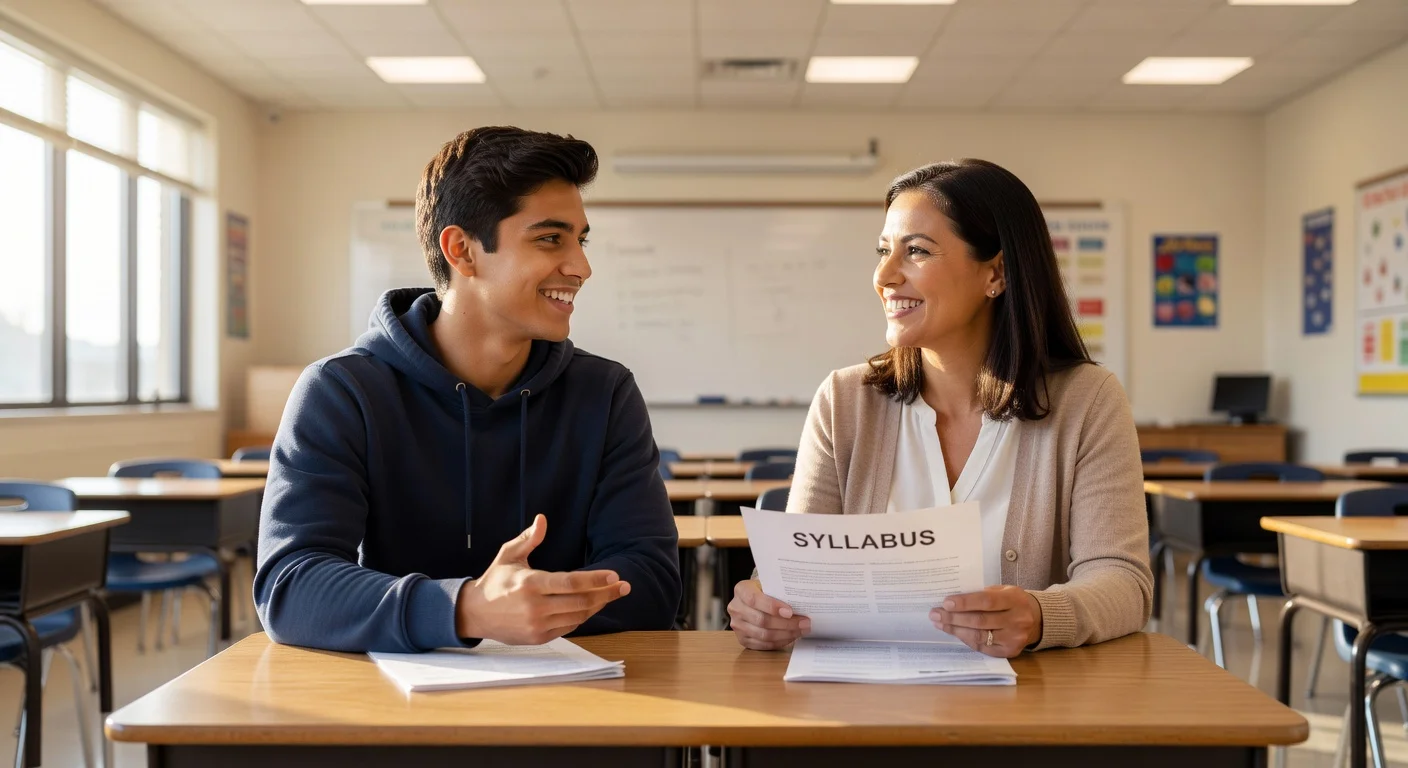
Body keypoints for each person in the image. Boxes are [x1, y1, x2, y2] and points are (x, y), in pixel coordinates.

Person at [255, 126, 681, 653]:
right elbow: (291, 585)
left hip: (571, 695)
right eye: (551, 238)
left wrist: (529, 610)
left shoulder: (605, 392)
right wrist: (467, 609)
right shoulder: (342, 391)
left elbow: (653, 582)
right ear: (462, 250)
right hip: (393, 706)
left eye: (580, 239)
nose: (581, 266)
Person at [728, 159, 1152, 658]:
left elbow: (1124, 583)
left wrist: (1040, 616)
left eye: (917, 252)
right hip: (860, 706)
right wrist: (763, 608)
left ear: (996, 272)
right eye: (884, 251)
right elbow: (792, 579)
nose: (885, 276)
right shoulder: (845, 401)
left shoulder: (1087, 401)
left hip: (1026, 708)